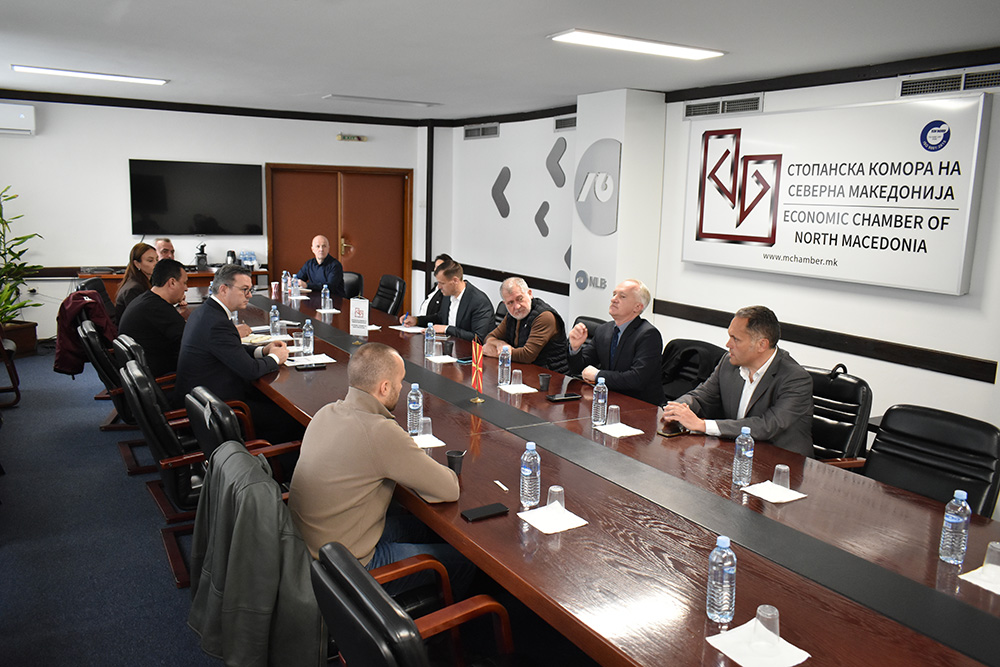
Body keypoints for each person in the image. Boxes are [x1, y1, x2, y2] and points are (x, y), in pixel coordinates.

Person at [288, 342, 471, 595]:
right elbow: (448, 489)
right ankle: (443, 619)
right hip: (350, 569)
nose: (402, 387)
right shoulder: (379, 431)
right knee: (464, 561)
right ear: (384, 387)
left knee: (420, 528)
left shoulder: (325, 412)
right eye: (400, 381)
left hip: (309, 552)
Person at [659, 305, 815, 457]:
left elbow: (767, 426)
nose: (728, 344)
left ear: (762, 344)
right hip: (737, 453)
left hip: (782, 462)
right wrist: (677, 408)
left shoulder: (796, 379)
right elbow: (702, 396)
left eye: (736, 339)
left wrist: (702, 425)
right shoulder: (728, 363)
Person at [174, 264, 297, 441]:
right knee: (290, 419)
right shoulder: (217, 323)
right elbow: (250, 370)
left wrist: (263, 350)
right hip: (215, 412)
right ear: (224, 289)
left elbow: (230, 349)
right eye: (244, 290)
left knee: (272, 404)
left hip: (202, 400)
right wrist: (275, 358)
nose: (250, 295)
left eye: (250, 290)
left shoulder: (205, 311)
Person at [567, 279, 663, 405]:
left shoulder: (648, 335)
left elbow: (636, 379)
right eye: (614, 294)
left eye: (622, 296)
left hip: (641, 405)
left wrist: (598, 375)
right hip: (609, 399)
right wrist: (575, 348)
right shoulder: (604, 329)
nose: (613, 299)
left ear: (637, 307)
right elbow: (578, 368)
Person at [483, 276, 569, 373]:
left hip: (550, 375)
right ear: (505, 303)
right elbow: (490, 337)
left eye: (520, 299)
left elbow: (527, 355)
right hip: (525, 371)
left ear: (530, 293)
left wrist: (499, 353)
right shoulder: (512, 316)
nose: (516, 306)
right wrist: (501, 344)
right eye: (510, 302)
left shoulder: (545, 317)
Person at [118, 259, 188, 377]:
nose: (186, 288)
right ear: (172, 282)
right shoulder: (159, 309)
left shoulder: (146, 299)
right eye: (184, 283)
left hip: (137, 371)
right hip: (158, 376)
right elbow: (190, 340)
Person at [399, 261, 493, 342]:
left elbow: (477, 338)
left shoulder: (479, 301)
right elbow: (440, 317)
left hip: (470, 353)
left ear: (455, 281)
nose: (439, 287)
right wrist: (417, 320)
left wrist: (447, 329)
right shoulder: (448, 294)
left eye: (442, 283)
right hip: (448, 346)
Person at [114, 242, 157, 323]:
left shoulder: (147, 281)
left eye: (157, 259)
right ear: (137, 264)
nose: (156, 263)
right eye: (150, 260)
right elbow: (141, 318)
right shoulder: (134, 289)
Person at [416, 253, 452, 317]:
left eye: (439, 267)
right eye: (435, 267)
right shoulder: (435, 287)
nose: (435, 270)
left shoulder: (447, 291)